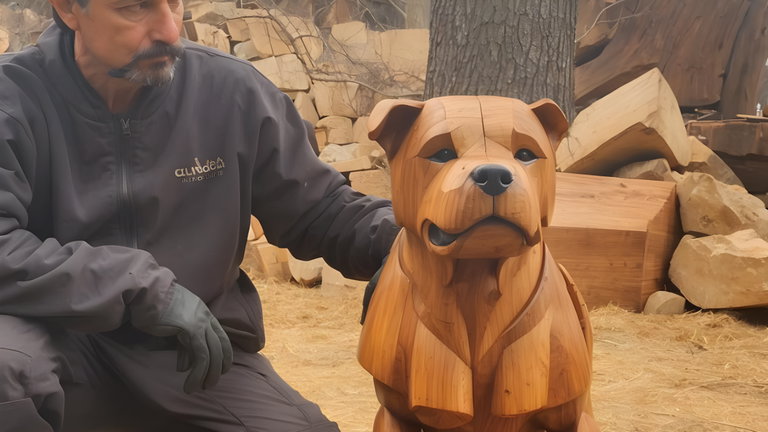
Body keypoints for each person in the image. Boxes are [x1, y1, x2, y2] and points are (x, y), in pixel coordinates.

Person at [0, 0, 398, 430]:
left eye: (174, 2)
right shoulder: (12, 99)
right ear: (69, 10)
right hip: (51, 342)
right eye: (134, 8)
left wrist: (410, 240)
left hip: (196, 355)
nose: (170, 30)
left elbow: (320, 210)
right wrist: (138, 288)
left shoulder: (232, 91)